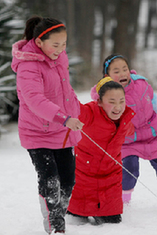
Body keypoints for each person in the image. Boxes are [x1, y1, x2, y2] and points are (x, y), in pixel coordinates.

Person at [11, 16, 84, 234]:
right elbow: (35, 100)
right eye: (56, 45)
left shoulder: (59, 57)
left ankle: (59, 215)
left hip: (62, 131)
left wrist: (77, 111)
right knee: (51, 181)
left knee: (68, 181)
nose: (61, 49)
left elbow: (65, 91)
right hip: (38, 132)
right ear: (40, 42)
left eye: (64, 44)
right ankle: (55, 228)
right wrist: (64, 118)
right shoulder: (28, 66)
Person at [90, 54, 157, 207]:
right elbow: (100, 114)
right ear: (108, 76)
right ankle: (124, 200)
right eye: (116, 71)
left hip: (152, 136)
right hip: (127, 141)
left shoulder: (141, 84)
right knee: (129, 171)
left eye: (124, 69)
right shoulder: (107, 95)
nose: (122, 73)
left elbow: (152, 99)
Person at [67, 78, 135, 224]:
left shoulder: (125, 118)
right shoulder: (89, 112)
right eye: (111, 102)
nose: (118, 107)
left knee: (113, 222)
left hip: (111, 177)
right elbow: (72, 106)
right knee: (77, 217)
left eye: (121, 101)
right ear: (99, 101)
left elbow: (129, 130)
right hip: (84, 175)